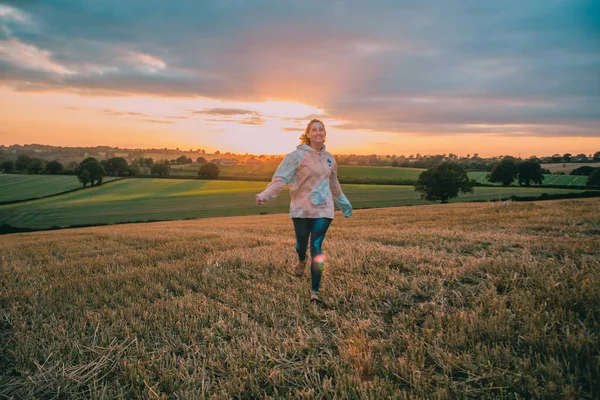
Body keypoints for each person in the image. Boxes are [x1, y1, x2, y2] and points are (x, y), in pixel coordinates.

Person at [255, 119, 352, 305]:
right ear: (308, 134)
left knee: (317, 246)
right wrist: (266, 195)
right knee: (301, 245)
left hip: (324, 208)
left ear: (324, 133)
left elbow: (334, 183)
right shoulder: (297, 156)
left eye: (321, 129)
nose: (318, 132)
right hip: (301, 208)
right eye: (314, 130)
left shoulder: (330, 158)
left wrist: (344, 205)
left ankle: (315, 291)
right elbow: (281, 178)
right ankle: (301, 260)